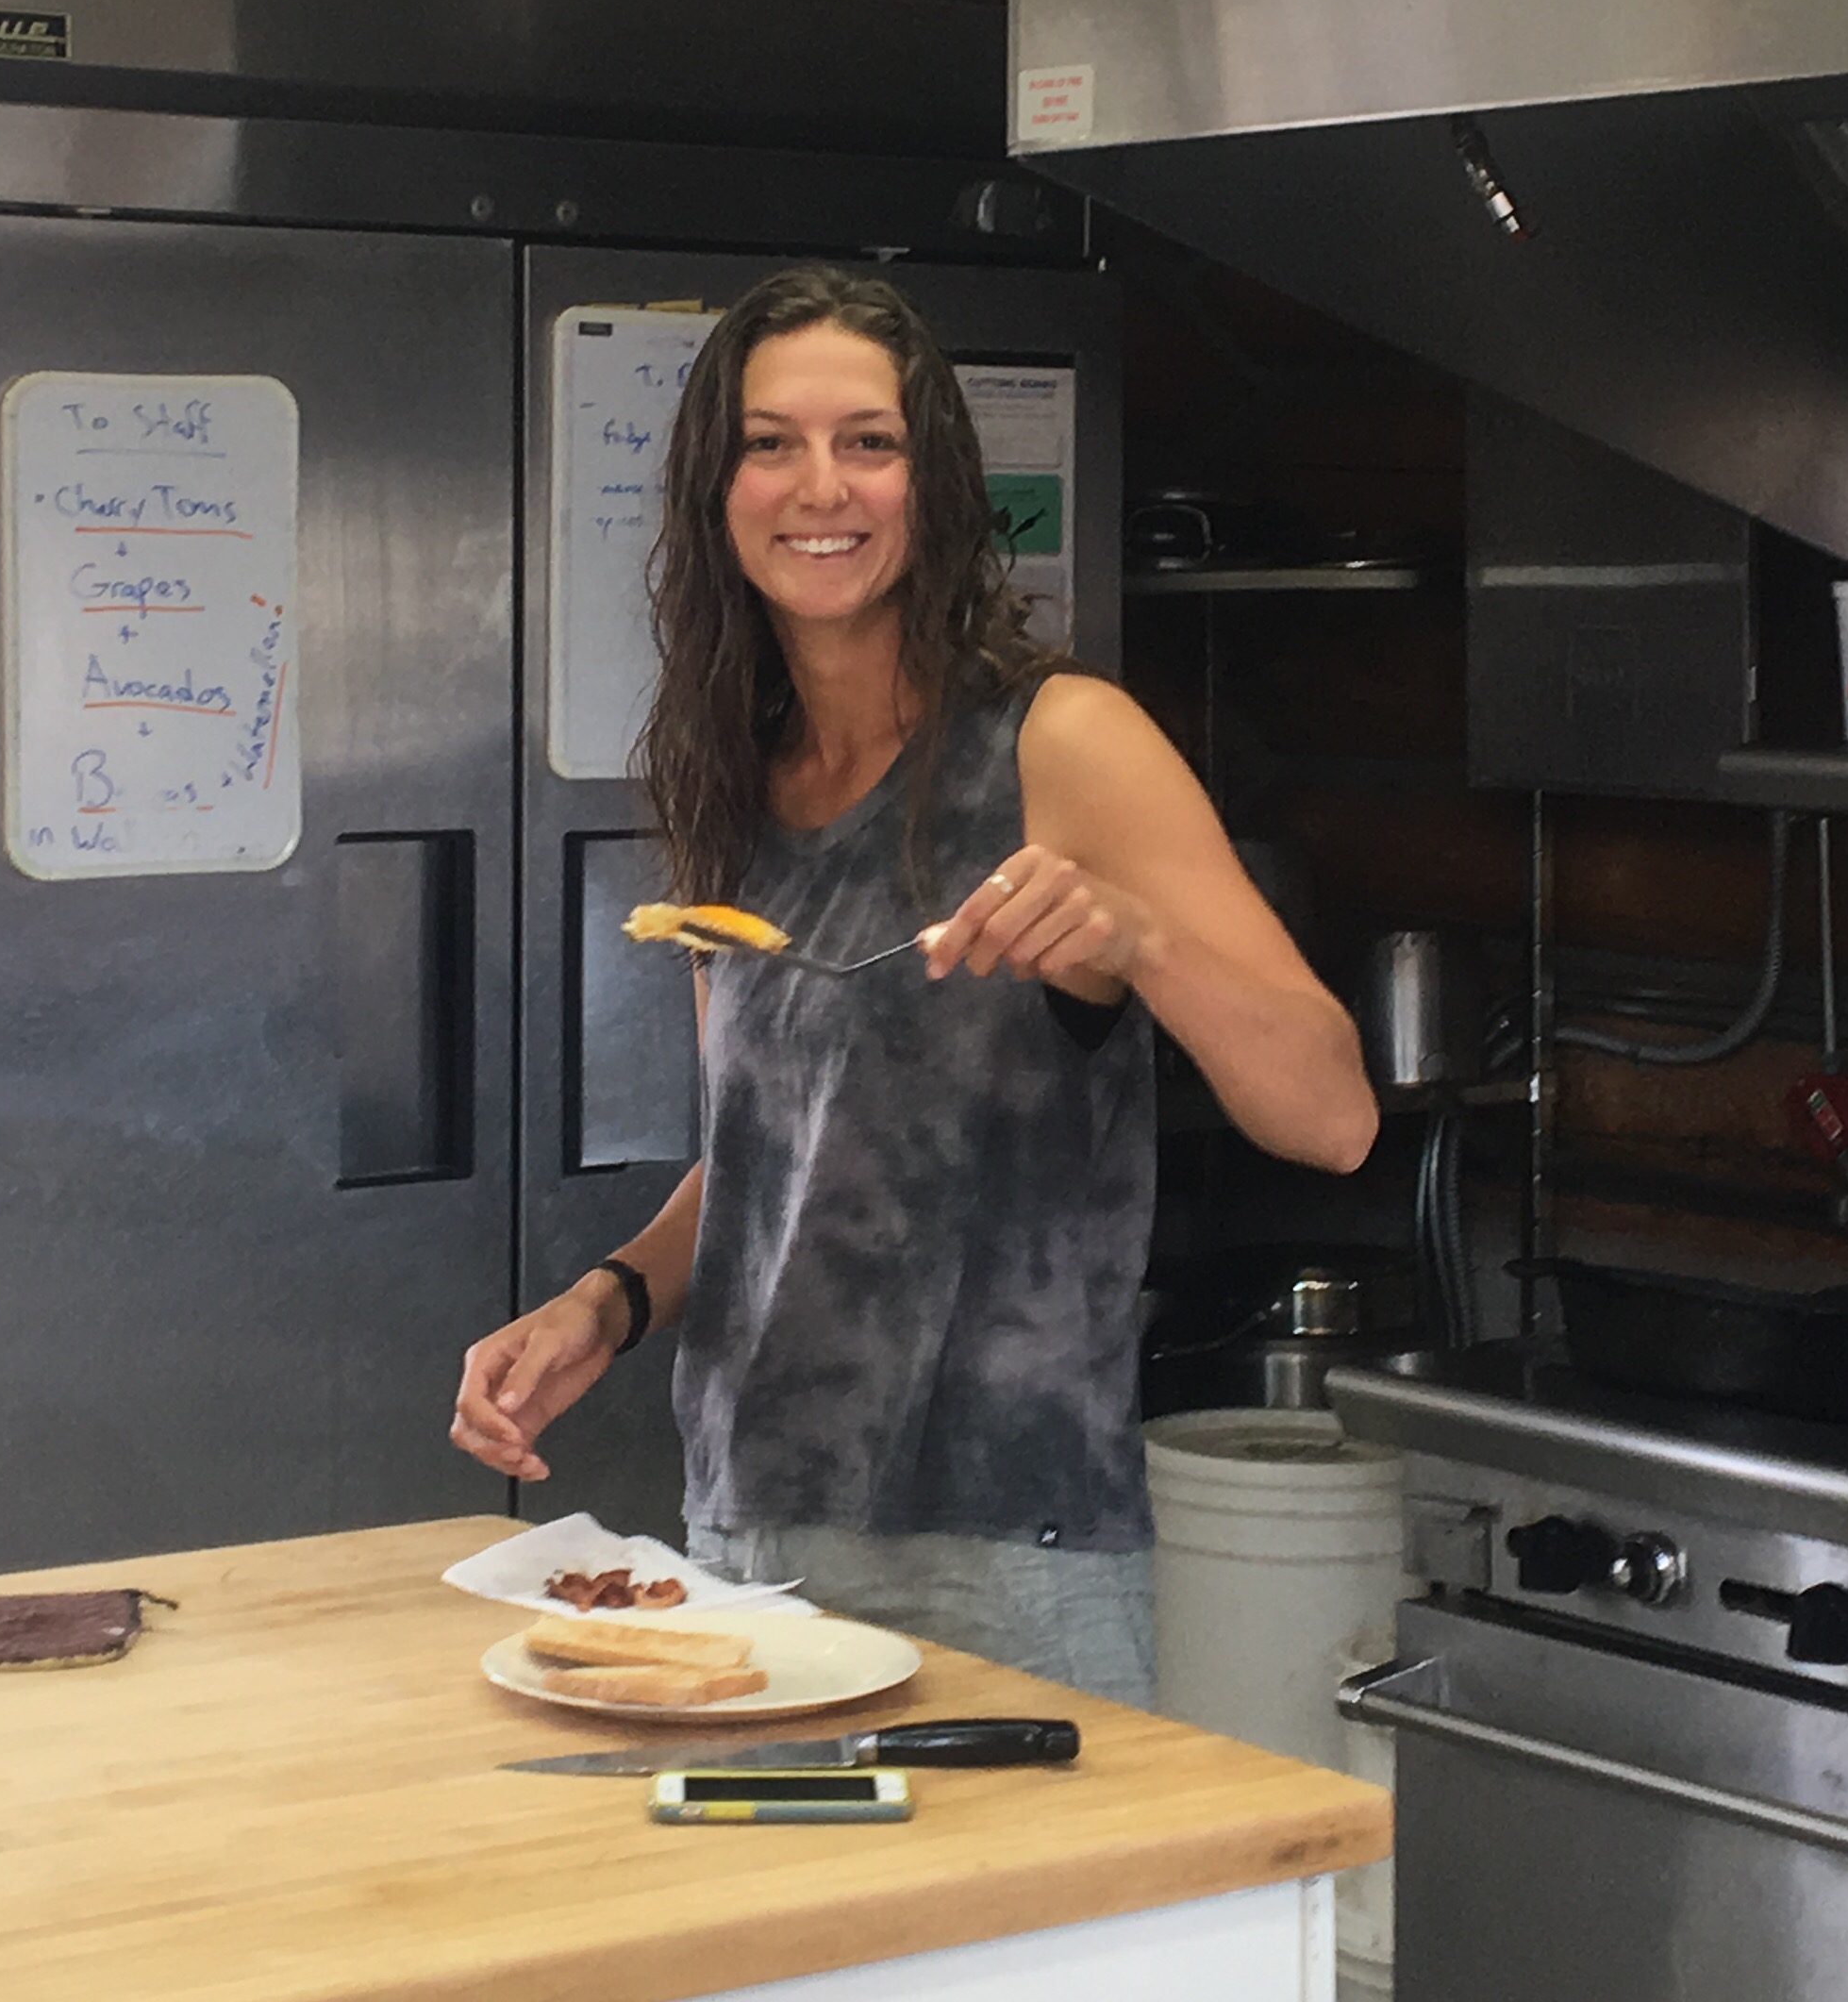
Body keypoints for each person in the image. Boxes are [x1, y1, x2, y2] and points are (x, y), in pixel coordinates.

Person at [451, 261, 1378, 1700]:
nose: (820, 487)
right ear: (716, 490)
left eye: (867, 442)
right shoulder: (727, 779)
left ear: (930, 482)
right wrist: (604, 1305)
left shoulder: (1062, 742)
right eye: (771, 444)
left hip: (1007, 1554)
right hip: (748, 1529)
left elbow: (1333, 1118)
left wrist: (1136, 938)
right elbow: (766, 1159)